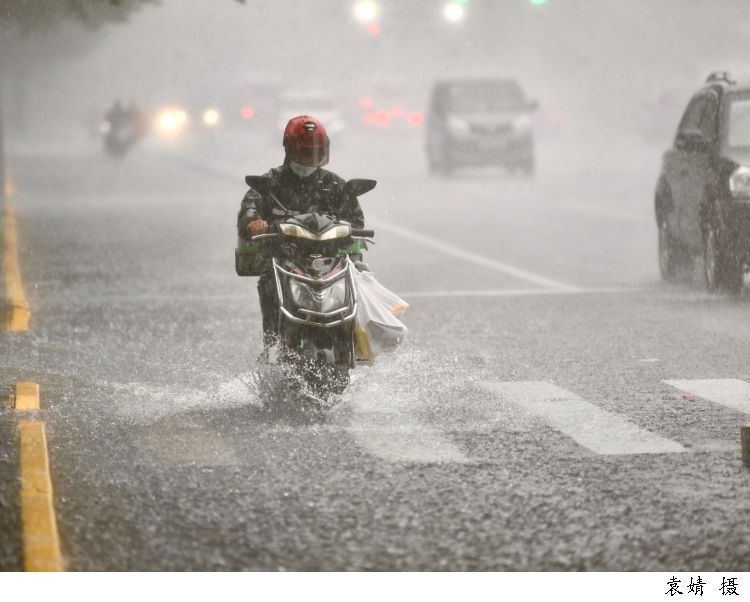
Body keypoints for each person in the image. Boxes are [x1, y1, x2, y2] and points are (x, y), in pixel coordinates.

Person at [237, 115, 366, 347]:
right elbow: (248, 211)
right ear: (288, 149)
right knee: (268, 281)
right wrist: (254, 222)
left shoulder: (334, 184)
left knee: (359, 274)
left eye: (315, 151)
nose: (310, 158)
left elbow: (356, 220)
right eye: (304, 151)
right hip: (285, 258)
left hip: (330, 260)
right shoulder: (270, 183)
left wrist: (349, 228)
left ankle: (357, 341)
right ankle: (273, 343)